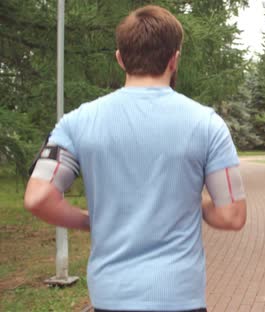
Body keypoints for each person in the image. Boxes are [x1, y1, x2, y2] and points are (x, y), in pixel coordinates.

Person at [24, 5, 246, 312]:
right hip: (179, 296)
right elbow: (232, 216)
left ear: (120, 58)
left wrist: (90, 221)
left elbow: (38, 198)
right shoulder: (207, 124)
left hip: (110, 295)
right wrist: (196, 200)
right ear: (174, 59)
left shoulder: (75, 123)